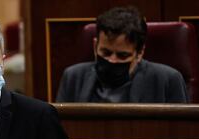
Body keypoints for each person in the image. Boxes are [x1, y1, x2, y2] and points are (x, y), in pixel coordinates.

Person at [56, 6, 188, 103]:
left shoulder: (168, 80)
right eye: (106, 52)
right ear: (95, 45)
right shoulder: (73, 77)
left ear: (140, 52)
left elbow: (180, 134)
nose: (112, 61)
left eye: (122, 55)